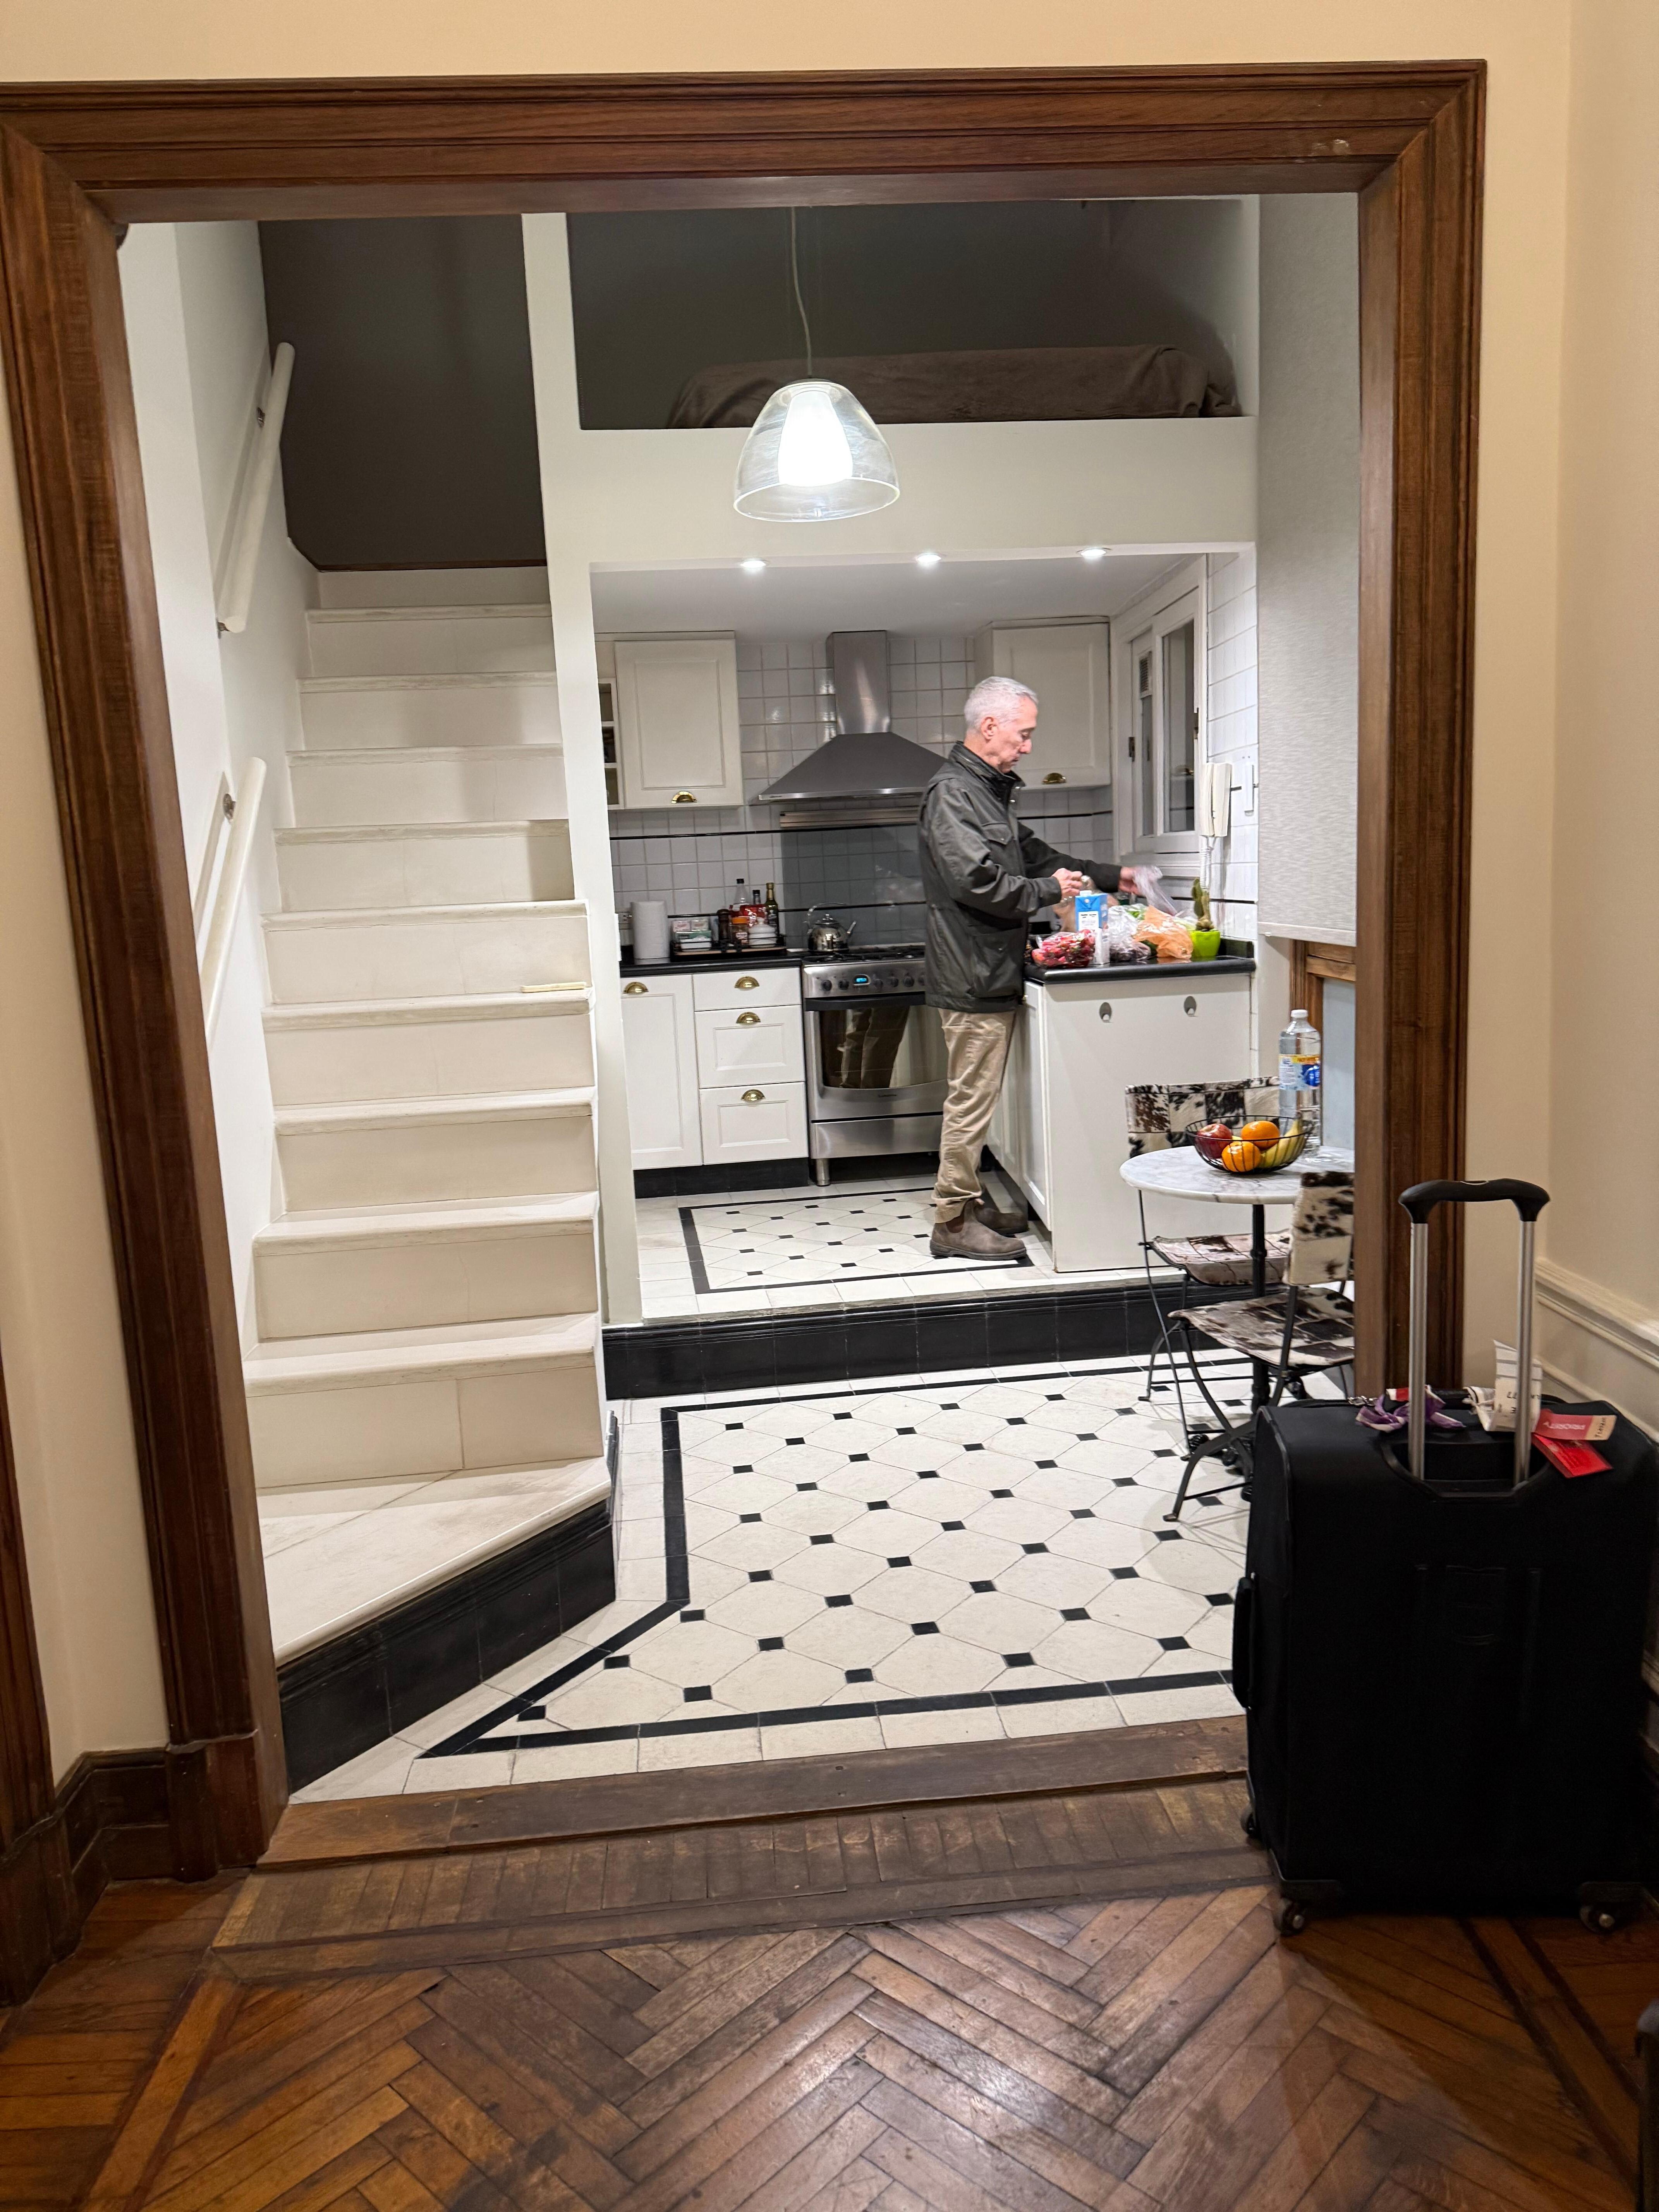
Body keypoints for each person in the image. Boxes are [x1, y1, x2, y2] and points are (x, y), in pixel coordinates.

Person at [918, 675, 1146, 1259]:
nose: (1028, 747)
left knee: (979, 1096)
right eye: (1023, 734)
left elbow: (1034, 855)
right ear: (989, 726)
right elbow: (975, 882)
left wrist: (1104, 874)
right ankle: (950, 1222)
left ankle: (966, 1204)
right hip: (972, 971)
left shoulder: (985, 791)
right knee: (971, 1098)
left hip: (990, 967)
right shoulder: (953, 794)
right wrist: (1049, 890)